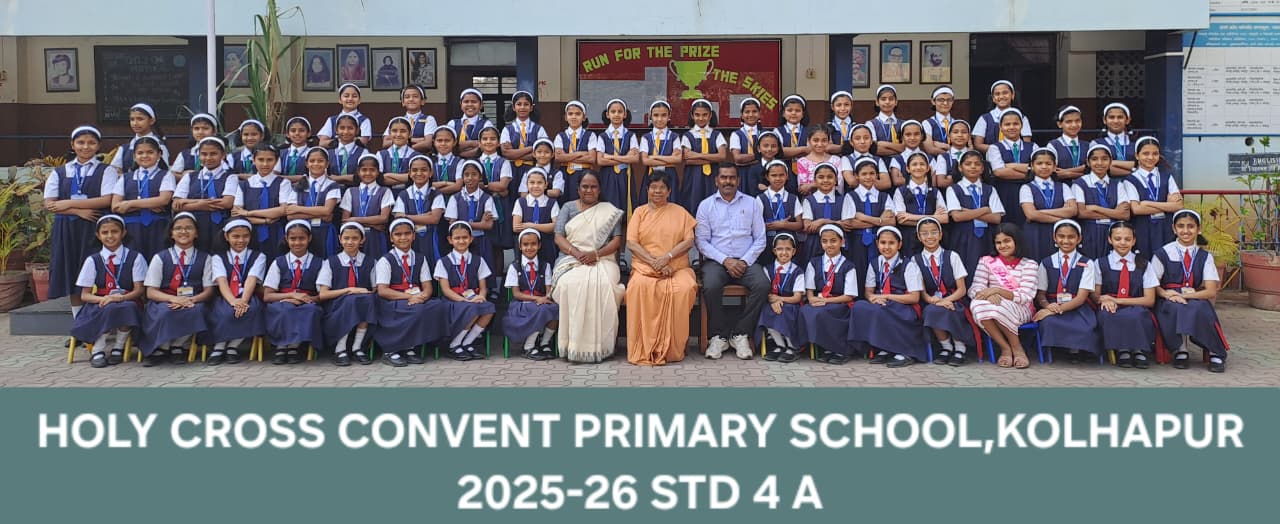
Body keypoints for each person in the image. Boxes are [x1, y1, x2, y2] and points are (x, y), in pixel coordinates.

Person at [695, 164, 769, 360]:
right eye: (724, 177)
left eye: (732, 177)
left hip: (746, 261)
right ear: (716, 180)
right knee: (711, 285)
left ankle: (740, 334)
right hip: (717, 261)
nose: (727, 181)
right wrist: (725, 260)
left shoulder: (751, 203)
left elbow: (760, 238)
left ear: (738, 180)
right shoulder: (706, 205)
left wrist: (744, 261)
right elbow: (701, 241)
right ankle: (719, 336)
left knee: (762, 285)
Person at [550, 173, 625, 363]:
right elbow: (558, 236)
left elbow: (617, 240)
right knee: (569, 284)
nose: (588, 190)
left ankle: (603, 346)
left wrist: (595, 255)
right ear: (578, 189)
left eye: (593, 187)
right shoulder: (568, 207)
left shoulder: (609, 211)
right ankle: (572, 345)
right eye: (585, 186)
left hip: (603, 259)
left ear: (599, 189)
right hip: (570, 258)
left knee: (605, 286)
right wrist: (577, 254)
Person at [47, 126, 120, 321]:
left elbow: (106, 199)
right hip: (66, 229)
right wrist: (77, 211)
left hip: (94, 227)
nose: (85, 147)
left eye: (91, 143)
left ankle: (100, 318)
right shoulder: (60, 171)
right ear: (72, 144)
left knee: (94, 271)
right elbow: (50, 203)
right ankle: (79, 322)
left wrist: (67, 203)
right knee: (71, 272)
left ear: (98, 145)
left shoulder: (106, 170)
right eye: (80, 142)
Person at [625, 172, 698, 366]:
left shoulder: (680, 212)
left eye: (662, 188)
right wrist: (653, 262)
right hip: (645, 266)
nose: (657, 191)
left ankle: (673, 348)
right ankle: (643, 346)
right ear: (647, 190)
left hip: (676, 266)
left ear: (669, 191)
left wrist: (667, 258)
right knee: (637, 288)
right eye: (653, 187)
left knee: (684, 289)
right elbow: (632, 243)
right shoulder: (639, 213)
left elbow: (689, 241)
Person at [1152, 210, 1229, 373]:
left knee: (1200, 308)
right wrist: (1166, 294)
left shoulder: (1205, 256)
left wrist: (1185, 295)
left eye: (1191, 226)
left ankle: (1214, 351)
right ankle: (1180, 349)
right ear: (1174, 229)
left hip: (1195, 296)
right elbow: (1153, 285)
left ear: (1198, 229)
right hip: (1169, 297)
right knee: (1175, 308)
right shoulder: (1162, 253)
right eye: (1181, 226)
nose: (1185, 231)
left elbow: (1210, 291)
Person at [69, 215, 147, 368]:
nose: (110, 236)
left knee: (127, 307)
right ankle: (98, 349)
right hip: (99, 302)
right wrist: (105, 299)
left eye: (114, 231)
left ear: (123, 233)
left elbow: (139, 290)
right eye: (105, 232)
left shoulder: (135, 258)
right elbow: (85, 295)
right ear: (98, 235)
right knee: (108, 308)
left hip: (128, 300)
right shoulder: (93, 260)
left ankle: (119, 347)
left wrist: (120, 298)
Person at [140, 212, 215, 366]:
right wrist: (174, 299)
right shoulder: (160, 257)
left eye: (189, 228)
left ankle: (178, 346)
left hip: (193, 300)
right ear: (171, 233)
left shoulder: (206, 258)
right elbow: (151, 292)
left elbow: (209, 291)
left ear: (196, 233)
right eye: (178, 228)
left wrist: (191, 300)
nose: (183, 231)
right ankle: (162, 347)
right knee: (165, 312)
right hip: (165, 300)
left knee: (196, 311)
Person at [374, 218, 449, 367]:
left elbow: (427, 286)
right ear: (391, 238)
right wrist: (410, 296)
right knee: (417, 310)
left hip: (416, 298)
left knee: (439, 306)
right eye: (398, 234)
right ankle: (391, 350)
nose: (403, 237)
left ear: (414, 236)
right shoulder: (386, 260)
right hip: (393, 299)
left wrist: (423, 297)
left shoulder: (420, 258)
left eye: (407, 233)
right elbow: (383, 291)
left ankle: (410, 346)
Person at [850, 226, 925, 367]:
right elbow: (868, 291)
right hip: (883, 302)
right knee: (859, 306)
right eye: (883, 243)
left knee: (881, 311)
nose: (887, 247)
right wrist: (872, 298)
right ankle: (883, 347)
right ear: (877, 244)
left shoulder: (908, 265)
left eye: (891, 243)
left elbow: (914, 297)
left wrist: (887, 296)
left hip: (903, 305)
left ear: (899, 244)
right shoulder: (874, 263)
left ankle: (904, 351)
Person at [969, 223, 1038, 369]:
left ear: (1016, 241)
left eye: (1007, 241)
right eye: (998, 242)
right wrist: (987, 295)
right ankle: (1006, 348)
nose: (1002, 246)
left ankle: (1017, 348)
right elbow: (975, 288)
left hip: (1021, 308)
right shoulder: (986, 261)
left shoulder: (1030, 265)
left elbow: (1025, 297)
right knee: (977, 305)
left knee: (997, 307)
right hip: (990, 304)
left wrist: (997, 291)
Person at [1033, 220, 1100, 363]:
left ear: (1079, 239)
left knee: (1085, 326)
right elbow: (1041, 294)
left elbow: (1081, 297)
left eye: (1071, 237)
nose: (1066, 241)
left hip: (1077, 306)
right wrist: (1047, 306)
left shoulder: (1087, 263)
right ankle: (1063, 349)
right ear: (1054, 238)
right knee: (1049, 322)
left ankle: (1076, 349)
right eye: (1061, 236)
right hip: (1052, 304)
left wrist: (1055, 310)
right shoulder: (1046, 262)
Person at [911, 217, 975, 366]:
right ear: (919, 237)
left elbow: (962, 289)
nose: (930, 236)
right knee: (931, 311)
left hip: (955, 298)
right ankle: (946, 347)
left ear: (940, 235)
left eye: (934, 232)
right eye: (925, 233)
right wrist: (931, 300)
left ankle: (960, 348)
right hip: (932, 300)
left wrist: (946, 300)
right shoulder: (915, 260)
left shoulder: (952, 256)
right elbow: (922, 291)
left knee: (952, 310)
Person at [1094, 221, 1158, 369]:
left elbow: (1149, 300)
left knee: (1138, 315)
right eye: (1117, 239)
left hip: (1136, 304)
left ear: (1134, 241)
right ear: (1110, 239)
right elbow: (1095, 295)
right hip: (1110, 305)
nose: (1122, 243)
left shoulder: (1144, 264)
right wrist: (1102, 300)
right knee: (1109, 314)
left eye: (1127, 239)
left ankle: (1139, 349)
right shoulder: (1100, 263)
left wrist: (1117, 300)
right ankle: (1122, 349)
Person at [204, 219, 267, 366]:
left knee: (252, 310)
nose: (241, 240)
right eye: (236, 236)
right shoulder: (218, 257)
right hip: (226, 296)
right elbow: (222, 281)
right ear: (226, 237)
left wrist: (243, 301)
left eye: (245, 236)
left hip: (247, 295)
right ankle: (219, 346)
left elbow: (252, 279)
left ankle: (233, 346)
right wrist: (233, 301)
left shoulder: (259, 256)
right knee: (223, 312)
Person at [262, 220, 325, 364]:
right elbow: (267, 296)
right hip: (282, 300)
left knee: (310, 310)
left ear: (309, 238)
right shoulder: (278, 262)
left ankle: (294, 347)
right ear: (286, 239)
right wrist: (291, 295)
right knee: (284, 309)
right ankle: (281, 346)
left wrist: (304, 299)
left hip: (308, 301)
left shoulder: (320, 263)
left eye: (301, 238)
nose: (297, 243)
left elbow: (322, 295)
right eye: (293, 239)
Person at [316, 222, 377, 366]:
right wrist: (349, 290)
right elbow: (323, 294)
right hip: (336, 307)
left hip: (363, 305)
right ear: (340, 239)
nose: (350, 242)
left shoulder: (370, 262)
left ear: (362, 240)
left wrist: (363, 293)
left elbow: (376, 288)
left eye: (355, 238)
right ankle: (340, 347)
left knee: (366, 300)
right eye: (346, 238)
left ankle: (357, 347)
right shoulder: (330, 262)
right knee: (351, 301)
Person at [795, 225, 858, 363]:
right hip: (819, 300)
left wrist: (826, 301)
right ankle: (824, 347)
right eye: (825, 241)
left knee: (823, 313)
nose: (829, 245)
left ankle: (841, 350)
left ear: (842, 242)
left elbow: (850, 295)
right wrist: (811, 299)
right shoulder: (814, 263)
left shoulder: (848, 266)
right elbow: (809, 288)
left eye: (833, 241)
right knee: (806, 310)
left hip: (840, 303)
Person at [436, 222, 497, 361]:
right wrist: (465, 300)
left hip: (473, 298)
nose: (461, 241)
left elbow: (483, 287)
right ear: (450, 240)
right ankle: (454, 344)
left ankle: (467, 342)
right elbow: (445, 290)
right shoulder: (443, 262)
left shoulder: (478, 260)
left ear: (471, 239)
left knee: (489, 308)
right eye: (457, 238)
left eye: (465, 237)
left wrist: (481, 297)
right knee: (472, 309)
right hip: (453, 300)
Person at [111, 136, 174, 260]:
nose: (145, 156)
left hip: (158, 227)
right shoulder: (125, 178)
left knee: (158, 260)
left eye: (150, 152)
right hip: (132, 228)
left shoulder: (166, 175)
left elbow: (164, 200)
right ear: (134, 156)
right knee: (133, 261)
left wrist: (129, 204)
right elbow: (115, 206)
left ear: (159, 154)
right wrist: (150, 204)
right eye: (140, 153)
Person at [944, 150, 1004, 276]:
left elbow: (997, 218)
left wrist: (967, 212)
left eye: (977, 164)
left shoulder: (990, 189)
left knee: (987, 271)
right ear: (960, 167)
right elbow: (957, 217)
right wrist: (985, 209)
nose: (973, 167)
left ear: (982, 168)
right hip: (963, 237)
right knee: (965, 270)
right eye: (968, 164)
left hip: (987, 237)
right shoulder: (953, 189)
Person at [172, 137, 236, 254]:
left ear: (223, 155)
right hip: (195, 226)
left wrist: (188, 202)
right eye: (204, 154)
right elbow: (176, 205)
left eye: (213, 154)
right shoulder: (190, 177)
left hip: (220, 225)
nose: (208, 158)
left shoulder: (230, 177)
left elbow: (227, 202)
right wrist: (200, 204)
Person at [232, 143, 295, 261]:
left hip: (276, 232)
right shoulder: (244, 185)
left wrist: (249, 213)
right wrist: (264, 220)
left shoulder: (283, 183)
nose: (265, 164)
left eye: (270, 160)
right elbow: (236, 213)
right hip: (250, 233)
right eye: (261, 160)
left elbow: (283, 210)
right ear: (253, 160)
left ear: (276, 161)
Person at [503, 229, 559, 361]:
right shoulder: (514, 267)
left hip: (541, 302)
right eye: (525, 244)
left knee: (555, 309)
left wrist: (546, 297)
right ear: (520, 246)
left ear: (539, 245)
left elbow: (548, 290)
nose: (529, 247)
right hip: (521, 304)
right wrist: (537, 298)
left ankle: (544, 343)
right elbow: (516, 294)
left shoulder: (545, 266)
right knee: (540, 310)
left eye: (533, 244)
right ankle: (528, 346)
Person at [1075, 144, 1137, 259]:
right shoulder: (1079, 183)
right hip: (1089, 233)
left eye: (1104, 159)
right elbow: (1081, 213)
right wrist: (1114, 212)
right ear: (1088, 162)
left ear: (1110, 162)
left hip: (1114, 234)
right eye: (1094, 159)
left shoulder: (1117, 185)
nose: (1100, 163)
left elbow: (1125, 215)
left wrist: (1095, 208)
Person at [1129, 137, 1183, 259]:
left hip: (1165, 227)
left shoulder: (1167, 176)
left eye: (1155, 153)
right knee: (1145, 262)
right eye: (1145, 153)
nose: (1150, 157)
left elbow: (1179, 205)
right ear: (1137, 155)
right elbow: (1136, 209)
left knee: (1167, 260)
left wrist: (1146, 203)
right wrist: (1167, 205)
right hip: (1143, 228)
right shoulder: (1131, 180)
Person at [1020, 147, 1078, 261]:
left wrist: (1039, 212)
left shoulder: (1063, 186)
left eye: (1048, 163)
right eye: (1039, 163)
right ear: (1032, 166)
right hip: (1035, 233)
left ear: (1055, 166)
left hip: (1059, 233)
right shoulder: (1026, 188)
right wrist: (1060, 218)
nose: (1044, 167)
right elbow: (1030, 215)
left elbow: (1073, 210)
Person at [288, 146, 343, 258]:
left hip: (325, 232)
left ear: (327, 164)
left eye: (320, 161)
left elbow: (327, 210)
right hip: (301, 232)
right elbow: (290, 215)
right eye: (312, 161)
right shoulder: (298, 186)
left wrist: (298, 209)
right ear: (306, 164)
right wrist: (321, 214)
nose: (316, 164)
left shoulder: (332, 185)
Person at [758, 234, 805, 362]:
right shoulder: (767, 269)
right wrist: (773, 300)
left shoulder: (798, 271)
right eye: (780, 249)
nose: (784, 252)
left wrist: (779, 299)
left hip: (791, 304)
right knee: (767, 310)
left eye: (788, 249)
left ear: (793, 251)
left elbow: (797, 297)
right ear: (774, 251)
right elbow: (766, 291)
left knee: (785, 311)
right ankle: (779, 345)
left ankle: (791, 346)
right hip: (773, 303)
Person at [392, 155, 446, 264]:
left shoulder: (436, 194)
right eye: (415, 170)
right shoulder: (404, 194)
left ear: (431, 173)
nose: (419, 173)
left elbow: (434, 219)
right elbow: (399, 218)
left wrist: (406, 216)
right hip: (409, 240)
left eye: (424, 170)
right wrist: (426, 216)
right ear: (409, 173)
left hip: (431, 239)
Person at [893, 152, 948, 257]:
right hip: (909, 238)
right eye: (914, 164)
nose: (918, 167)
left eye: (922, 164)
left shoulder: (935, 191)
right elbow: (901, 219)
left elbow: (945, 218)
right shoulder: (900, 191)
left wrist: (911, 217)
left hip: (931, 238)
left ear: (928, 168)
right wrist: (934, 217)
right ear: (908, 169)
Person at [985, 109, 1033, 226]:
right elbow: (999, 172)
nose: (1012, 127)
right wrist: (1030, 171)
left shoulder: (1033, 146)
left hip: (1030, 191)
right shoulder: (994, 148)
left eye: (1015, 124)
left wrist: (1012, 166)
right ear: (1001, 127)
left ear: (1021, 126)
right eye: (1007, 124)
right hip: (1004, 191)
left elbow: (1039, 169)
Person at [340, 153, 394, 258]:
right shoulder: (350, 191)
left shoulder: (385, 191)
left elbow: (384, 218)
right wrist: (374, 224)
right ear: (358, 172)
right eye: (364, 170)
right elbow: (345, 220)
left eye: (372, 170)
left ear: (378, 172)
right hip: (355, 237)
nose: (368, 173)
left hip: (376, 238)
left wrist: (355, 219)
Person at [757, 159, 804, 266]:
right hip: (768, 243)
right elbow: (757, 225)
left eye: (781, 175)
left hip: (789, 243)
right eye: (774, 175)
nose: (778, 178)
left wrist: (784, 225)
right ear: (767, 177)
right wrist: (773, 226)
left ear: (787, 176)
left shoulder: (793, 198)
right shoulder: (761, 199)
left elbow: (800, 224)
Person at [597, 99, 639, 212]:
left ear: (625, 114)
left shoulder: (631, 135)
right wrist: (626, 158)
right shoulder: (602, 136)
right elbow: (600, 161)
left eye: (620, 112)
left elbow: (635, 158)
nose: (616, 114)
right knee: (608, 206)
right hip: (608, 175)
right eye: (613, 111)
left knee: (625, 204)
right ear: (607, 114)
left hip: (625, 175)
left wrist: (610, 156)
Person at [512, 168, 561, 264]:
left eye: (539, 183)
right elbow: (516, 227)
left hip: (547, 245)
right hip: (527, 247)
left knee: (546, 267)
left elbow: (556, 226)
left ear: (546, 185)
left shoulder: (552, 203)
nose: (535, 186)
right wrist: (546, 227)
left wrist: (530, 225)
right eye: (532, 182)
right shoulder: (521, 202)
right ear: (526, 184)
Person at [638, 101, 682, 207]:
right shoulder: (646, 137)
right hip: (651, 174)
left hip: (670, 175)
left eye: (663, 115)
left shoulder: (674, 137)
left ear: (669, 116)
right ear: (650, 117)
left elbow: (678, 159)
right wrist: (669, 159)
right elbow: (645, 161)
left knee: (670, 204)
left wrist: (654, 157)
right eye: (656, 115)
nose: (659, 119)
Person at [554, 100, 598, 203]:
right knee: (564, 202)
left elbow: (592, 158)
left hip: (584, 174)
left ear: (584, 117)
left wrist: (567, 156)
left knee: (583, 203)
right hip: (565, 174)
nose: (574, 117)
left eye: (578, 114)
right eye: (570, 114)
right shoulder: (560, 136)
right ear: (566, 117)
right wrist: (581, 153)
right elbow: (558, 157)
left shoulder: (590, 135)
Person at [972, 80, 1032, 154]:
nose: (1001, 96)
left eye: (1005, 93)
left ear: (1012, 95)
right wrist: (1000, 151)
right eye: (997, 94)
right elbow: (978, 145)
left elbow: (1027, 144)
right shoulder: (984, 119)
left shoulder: (1022, 118)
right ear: (993, 98)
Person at [501, 91, 547, 182]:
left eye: (526, 104)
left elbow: (543, 154)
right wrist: (532, 148)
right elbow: (506, 153)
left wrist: (514, 154)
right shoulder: (507, 129)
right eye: (519, 104)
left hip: (533, 170)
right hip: (511, 170)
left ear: (531, 108)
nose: (522, 107)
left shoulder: (539, 129)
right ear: (514, 107)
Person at [110, 103, 170, 173]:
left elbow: (164, 172)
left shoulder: (159, 146)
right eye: (132, 119)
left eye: (140, 119)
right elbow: (114, 170)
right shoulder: (124, 148)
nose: (135, 123)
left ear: (152, 121)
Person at [447, 88, 495, 159]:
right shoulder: (452, 124)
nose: (470, 104)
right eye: (466, 102)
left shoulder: (487, 124)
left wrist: (460, 153)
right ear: (461, 104)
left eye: (474, 102)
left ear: (481, 105)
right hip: (455, 163)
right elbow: (448, 146)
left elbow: (487, 146)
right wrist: (474, 143)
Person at [732, 97, 766, 193]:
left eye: (754, 111)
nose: (750, 115)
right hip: (743, 174)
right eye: (747, 112)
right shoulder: (736, 134)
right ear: (742, 115)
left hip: (762, 173)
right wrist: (759, 156)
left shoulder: (765, 133)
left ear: (759, 114)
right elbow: (738, 159)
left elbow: (771, 155)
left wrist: (746, 160)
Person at [1092, 102, 1137, 175]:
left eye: (1120, 117)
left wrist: (1112, 163)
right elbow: (1101, 167)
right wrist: (1134, 172)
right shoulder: (1096, 143)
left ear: (1128, 120)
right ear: (1104, 120)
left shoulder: (1136, 143)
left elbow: (1143, 164)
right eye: (1111, 117)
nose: (1116, 121)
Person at [170, 113, 220, 177]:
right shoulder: (185, 155)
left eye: (205, 128)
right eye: (196, 128)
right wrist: (185, 176)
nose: (200, 132)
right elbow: (172, 175)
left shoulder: (221, 153)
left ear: (214, 131)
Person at [392, 85, 438, 153]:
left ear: (423, 101)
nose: (411, 99)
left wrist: (405, 147)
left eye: (415, 96)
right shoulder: (397, 120)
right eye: (407, 97)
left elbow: (428, 143)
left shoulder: (429, 119)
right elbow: (385, 142)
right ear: (403, 102)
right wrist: (421, 139)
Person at [1049, 106, 1088, 179]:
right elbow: (1052, 172)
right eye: (1069, 122)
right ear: (1059, 124)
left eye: (1077, 121)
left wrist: (1069, 173)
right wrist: (1082, 170)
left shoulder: (1087, 145)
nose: (1074, 125)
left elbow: (1093, 170)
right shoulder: (1053, 145)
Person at [326, 114, 369, 181]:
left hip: (355, 187)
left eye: (350, 128)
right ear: (336, 130)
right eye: (342, 128)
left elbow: (365, 175)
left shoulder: (363, 152)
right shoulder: (328, 153)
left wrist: (338, 178)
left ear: (357, 130)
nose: (346, 132)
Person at [867, 85, 905, 161]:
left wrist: (882, 144)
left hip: (902, 163)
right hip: (879, 163)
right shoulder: (871, 124)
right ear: (877, 102)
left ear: (896, 102)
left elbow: (907, 147)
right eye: (883, 99)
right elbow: (875, 149)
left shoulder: (904, 124)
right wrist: (900, 149)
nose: (887, 102)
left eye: (891, 99)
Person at [278, 117, 317, 181]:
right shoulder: (280, 153)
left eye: (301, 130)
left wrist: (280, 177)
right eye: (293, 131)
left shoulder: (314, 153)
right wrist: (300, 177)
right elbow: (273, 175)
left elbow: (312, 177)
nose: (297, 133)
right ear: (287, 134)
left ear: (309, 133)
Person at [922, 86, 957, 155]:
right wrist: (956, 152)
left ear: (953, 101)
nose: (945, 103)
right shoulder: (927, 123)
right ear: (933, 101)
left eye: (949, 100)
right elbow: (930, 149)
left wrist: (945, 146)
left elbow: (967, 148)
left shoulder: (958, 123)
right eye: (941, 100)